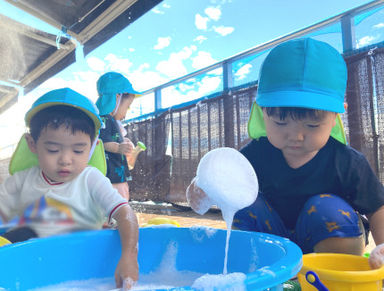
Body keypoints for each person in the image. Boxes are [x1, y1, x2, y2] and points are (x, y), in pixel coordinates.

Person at [187, 38, 384, 269]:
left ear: (335, 118)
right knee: (244, 204)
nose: (296, 136)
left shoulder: (348, 162)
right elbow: (199, 202)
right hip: (274, 248)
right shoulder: (254, 156)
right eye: (281, 123)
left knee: (328, 209)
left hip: (328, 249)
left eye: (311, 126)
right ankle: (261, 272)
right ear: (263, 113)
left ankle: (332, 278)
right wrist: (201, 190)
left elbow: (378, 208)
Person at [0, 88, 139, 289]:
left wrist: (129, 255)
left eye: (78, 150)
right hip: (38, 270)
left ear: (92, 147)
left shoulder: (90, 178)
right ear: (32, 144)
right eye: (53, 150)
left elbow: (124, 212)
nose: (65, 160)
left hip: (83, 267)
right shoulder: (22, 181)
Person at [96, 72, 141, 201]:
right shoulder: (104, 119)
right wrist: (118, 148)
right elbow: (101, 142)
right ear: (117, 98)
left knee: (118, 206)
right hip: (111, 178)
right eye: (127, 106)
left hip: (115, 177)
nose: (126, 112)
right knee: (116, 207)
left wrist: (123, 141)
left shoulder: (111, 121)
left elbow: (111, 137)